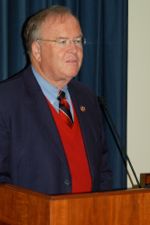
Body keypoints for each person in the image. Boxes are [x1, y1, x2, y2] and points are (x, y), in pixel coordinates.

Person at [0, 5, 112, 195]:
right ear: (37, 50)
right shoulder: (6, 100)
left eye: (77, 40)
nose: (74, 49)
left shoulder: (88, 99)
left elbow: (102, 171)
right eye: (62, 42)